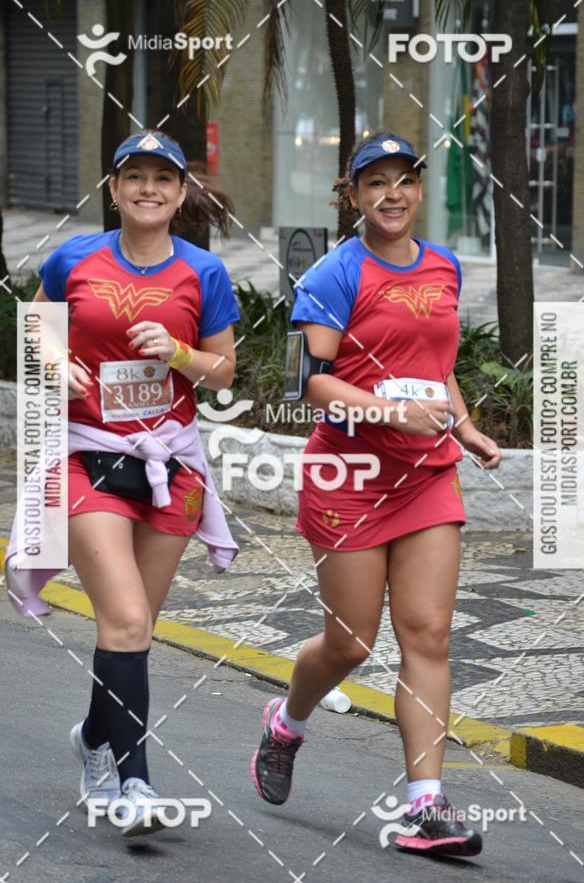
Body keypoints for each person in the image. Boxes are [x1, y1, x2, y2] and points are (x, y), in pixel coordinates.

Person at [251, 132, 502, 857]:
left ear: (419, 190)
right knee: (351, 642)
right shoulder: (333, 274)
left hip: (425, 474)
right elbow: (310, 382)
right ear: (353, 194)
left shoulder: (445, 267)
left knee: (428, 632)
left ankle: (427, 807)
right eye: (375, 183)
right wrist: (391, 411)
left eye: (404, 181)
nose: (391, 194)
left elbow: (437, 366)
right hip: (349, 479)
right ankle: (286, 721)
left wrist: (466, 427)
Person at [27, 130, 240, 836]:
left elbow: (224, 371)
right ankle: (137, 784)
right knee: (123, 619)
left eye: (163, 179)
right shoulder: (73, 258)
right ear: (114, 190)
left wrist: (179, 351)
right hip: (87, 453)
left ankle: (93, 737)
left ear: (181, 195)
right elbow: (36, 321)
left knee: (132, 629)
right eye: (135, 177)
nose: (149, 189)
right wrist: (57, 364)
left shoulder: (204, 272)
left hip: (170, 464)